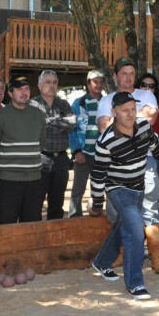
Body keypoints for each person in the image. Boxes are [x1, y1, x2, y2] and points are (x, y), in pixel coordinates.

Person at [89, 92, 159, 300]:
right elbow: (98, 175)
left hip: (138, 185)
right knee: (135, 230)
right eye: (124, 111)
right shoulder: (106, 141)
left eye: (133, 109)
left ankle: (102, 261)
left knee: (123, 224)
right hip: (118, 189)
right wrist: (97, 203)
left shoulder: (143, 126)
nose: (130, 114)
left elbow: (158, 146)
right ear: (114, 112)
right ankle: (135, 284)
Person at [96, 58, 159, 273]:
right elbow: (104, 128)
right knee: (117, 213)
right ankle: (121, 254)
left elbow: (150, 120)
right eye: (123, 73)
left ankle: (156, 258)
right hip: (116, 165)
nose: (128, 77)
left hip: (146, 160)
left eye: (131, 73)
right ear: (115, 75)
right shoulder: (106, 100)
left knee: (150, 207)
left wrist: (120, 119)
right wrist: (137, 116)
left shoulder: (146, 95)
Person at [0, 75, 46, 224]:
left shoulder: (39, 115)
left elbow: (42, 143)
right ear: (10, 93)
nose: (24, 93)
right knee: (6, 226)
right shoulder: (0, 117)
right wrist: (4, 167)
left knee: (32, 227)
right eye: (19, 89)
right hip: (8, 182)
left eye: (26, 89)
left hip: (34, 181)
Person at [30, 70, 77, 220]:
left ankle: (54, 234)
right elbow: (36, 126)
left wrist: (48, 120)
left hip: (61, 159)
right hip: (40, 158)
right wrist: (61, 120)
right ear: (39, 85)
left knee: (57, 203)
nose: (52, 85)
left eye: (55, 82)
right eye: (48, 82)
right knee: (35, 202)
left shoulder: (63, 103)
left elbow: (72, 125)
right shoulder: (32, 104)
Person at [136, 72, 159, 222]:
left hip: (155, 155)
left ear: (155, 89)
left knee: (151, 194)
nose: (147, 88)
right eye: (143, 84)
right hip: (132, 154)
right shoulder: (131, 102)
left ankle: (151, 226)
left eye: (151, 86)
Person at [68, 70, 104, 217]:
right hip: (83, 154)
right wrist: (76, 151)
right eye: (95, 82)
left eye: (101, 81)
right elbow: (71, 129)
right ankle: (74, 218)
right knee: (78, 189)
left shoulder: (107, 102)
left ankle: (96, 217)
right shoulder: (78, 103)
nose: (98, 85)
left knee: (99, 189)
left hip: (102, 155)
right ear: (88, 84)